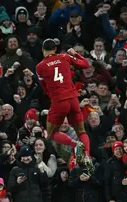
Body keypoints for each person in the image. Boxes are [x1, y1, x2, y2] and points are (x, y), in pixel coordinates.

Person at [36, 39, 93, 174]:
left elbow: (44, 87)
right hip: (72, 98)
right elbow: (85, 64)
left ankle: (75, 144)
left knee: (51, 133)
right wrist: (76, 54)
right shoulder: (65, 57)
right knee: (81, 131)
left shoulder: (40, 66)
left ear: (43, 50)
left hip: (58, 101)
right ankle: (87, 156)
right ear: (55, 49)